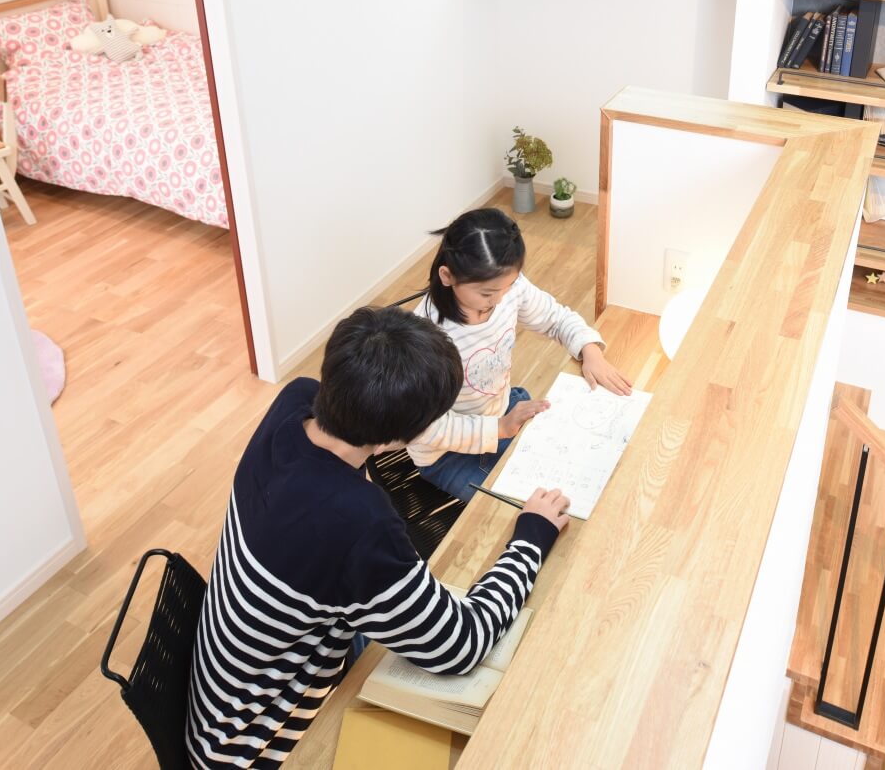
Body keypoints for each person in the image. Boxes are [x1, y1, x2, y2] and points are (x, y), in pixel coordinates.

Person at [185, 306, 570, 767]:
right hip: (254, 750)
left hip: (221, 706)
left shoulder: (295, 401)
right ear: (398, 439)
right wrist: (531, 538)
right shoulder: (357, 521)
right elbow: (459, 646)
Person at [409, 208, 632, 500]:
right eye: (487, 294)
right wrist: (499, 428)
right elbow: (421, 429)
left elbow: (555, 318)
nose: (500, 299)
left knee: (582, 469)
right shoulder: (424, 337)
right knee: (527, 506)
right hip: (446, 453)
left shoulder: (504, 288)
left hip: (503, 410)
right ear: (448, 276)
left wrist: (590, 350)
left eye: (508, 286)